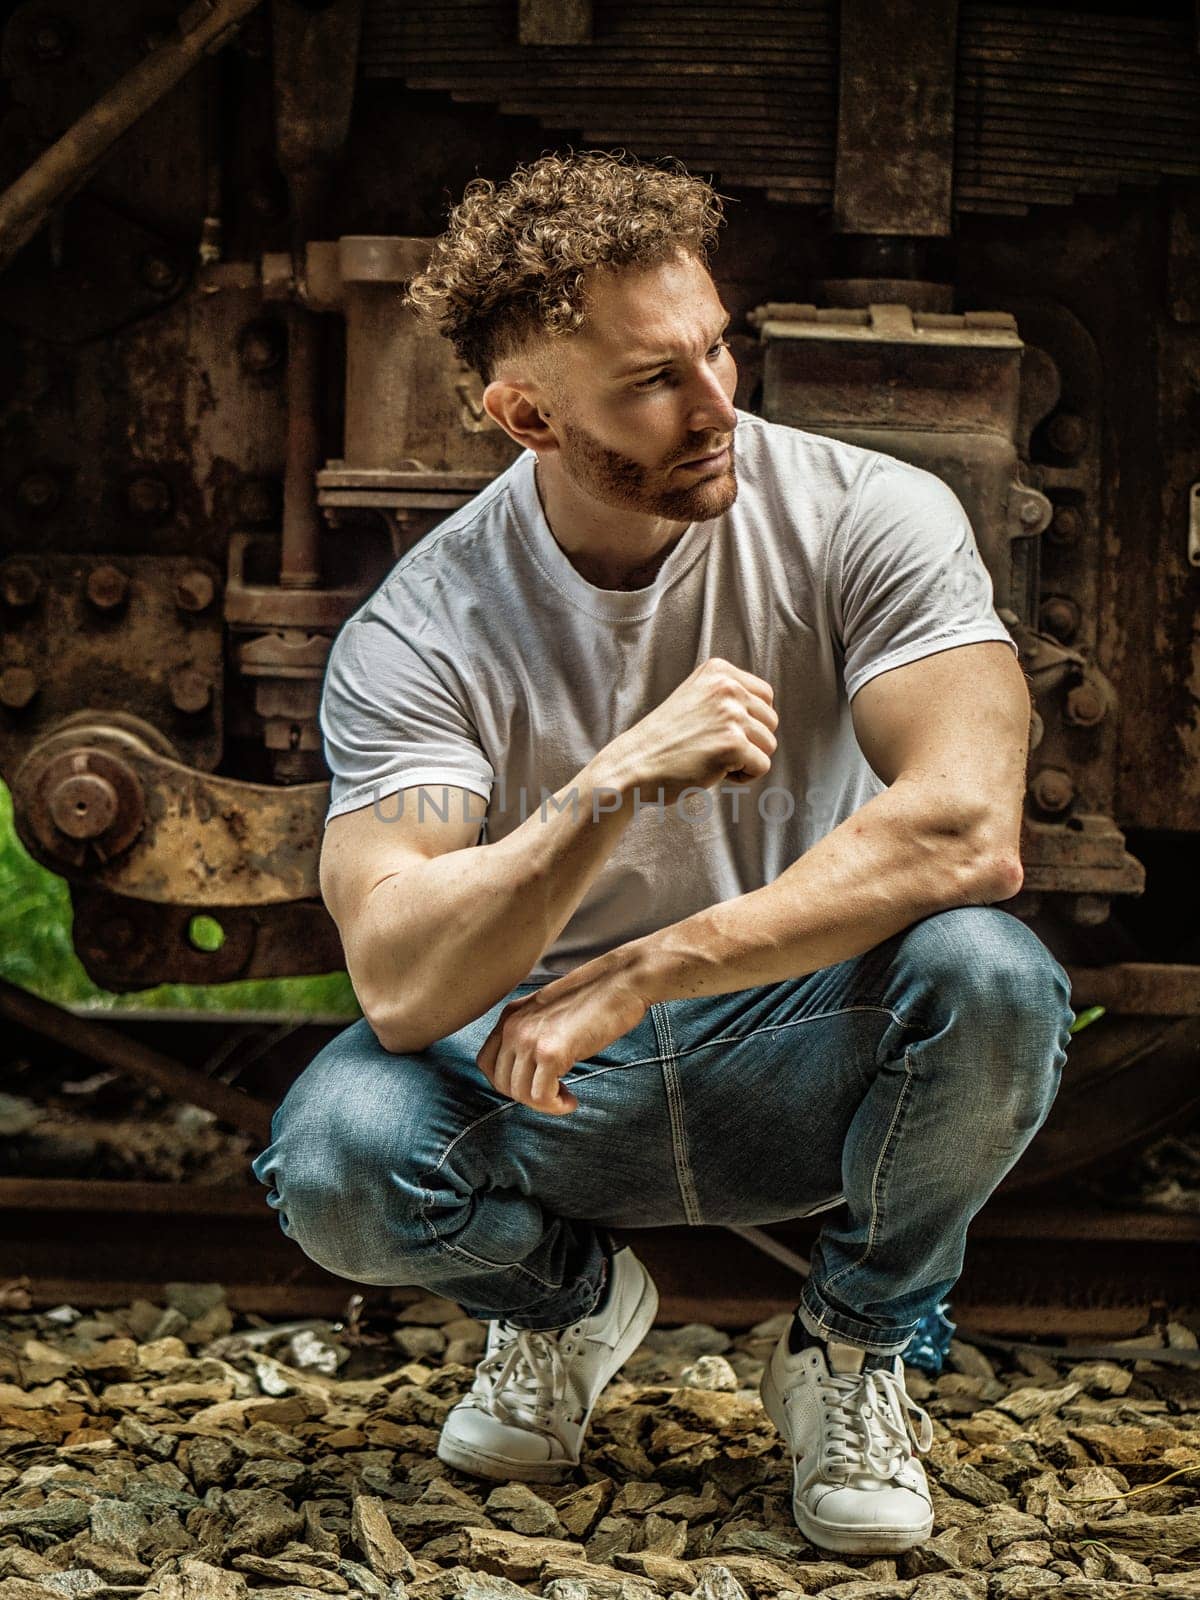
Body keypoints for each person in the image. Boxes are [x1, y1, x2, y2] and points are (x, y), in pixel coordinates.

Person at [252, 151, 1074, 1557]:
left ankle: (853, 1346)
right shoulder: (423, 626)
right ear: (527, 417)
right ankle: (566, 1307)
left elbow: (968, 825)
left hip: (793, 1032)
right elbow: (396, 981)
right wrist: (608, 787)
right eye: (652, 381)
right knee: (336, 1155)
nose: (718, 406)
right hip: (551, 1078)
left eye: (717, 348)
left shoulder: (865, 514)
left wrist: (643, 970)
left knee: (993, 978)